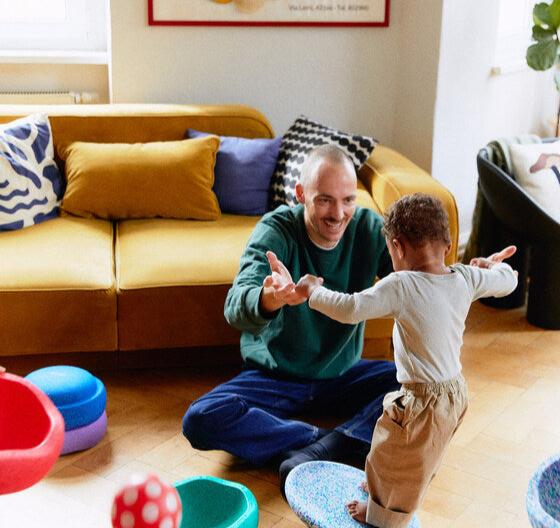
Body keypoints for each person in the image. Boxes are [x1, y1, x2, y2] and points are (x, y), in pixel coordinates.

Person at [181, 144, 514, 494]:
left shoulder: (370, 229)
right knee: (202, 417)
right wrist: (270, 298)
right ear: (301, 195)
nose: (338, 213)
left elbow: (422, 279)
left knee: (418, 391)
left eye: (348, 200)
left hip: (343, 374)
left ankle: (326, 445)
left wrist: (469, 273)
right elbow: (235, 306)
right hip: (276, 376)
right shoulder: (276, 231)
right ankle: (330, 442)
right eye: (324, 200)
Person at [295, 193, 518, 528]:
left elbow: (351, 308)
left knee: (396, 454)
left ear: (397, 247)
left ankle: (385, 518)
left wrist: (313, 291)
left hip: (422, 399)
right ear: (446, 243)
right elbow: (508, 282)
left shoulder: (402, 284)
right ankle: (382, 487)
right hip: (455, 393)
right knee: (410, 454)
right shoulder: (464, 277)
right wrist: (495, 266)